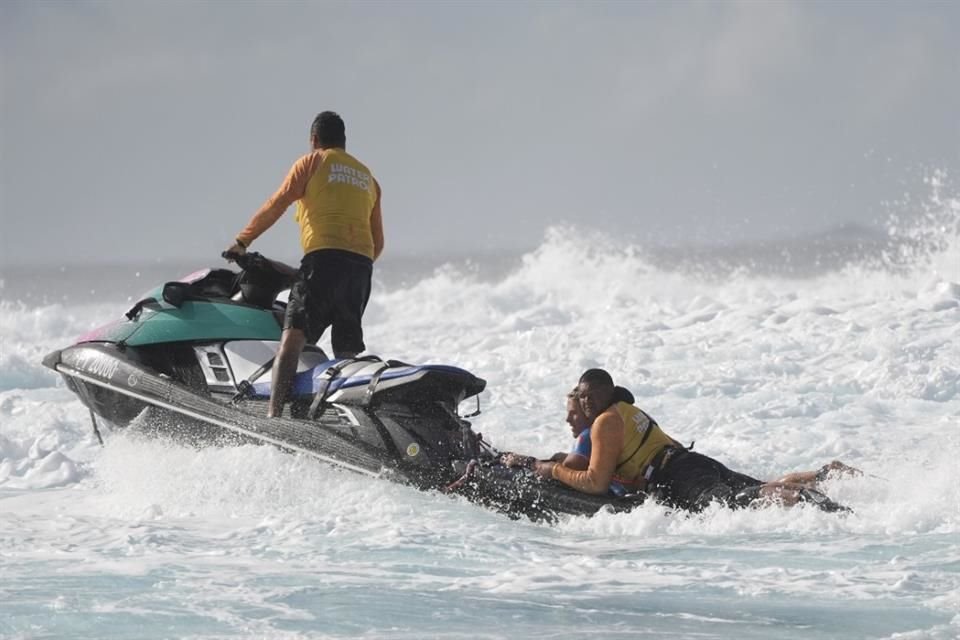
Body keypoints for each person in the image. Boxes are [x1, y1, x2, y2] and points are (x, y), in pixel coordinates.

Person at [224, 111, 384, 417]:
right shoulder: (368, 179)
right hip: (361, 267)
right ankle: (344, 415)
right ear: (344, 143)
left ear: (314, 140)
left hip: (323, 260)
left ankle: (274, 416)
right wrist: (353, 265)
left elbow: (278, 203)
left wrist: (242, 241)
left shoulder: (312, 162)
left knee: (293, 338)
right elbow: (379, 242)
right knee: (346, 351)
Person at [519, 369, 853, 512]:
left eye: (590, 398)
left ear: (605, 395)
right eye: (582, 398)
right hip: (690, 462)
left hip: (678, 474)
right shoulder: (626, 410)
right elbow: (666, 445)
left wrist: (551, 471)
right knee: (758, 487)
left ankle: (805, 498)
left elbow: (594, 482)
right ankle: (825, 476)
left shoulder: (606, 421)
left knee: (733, 503)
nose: (586, 404)